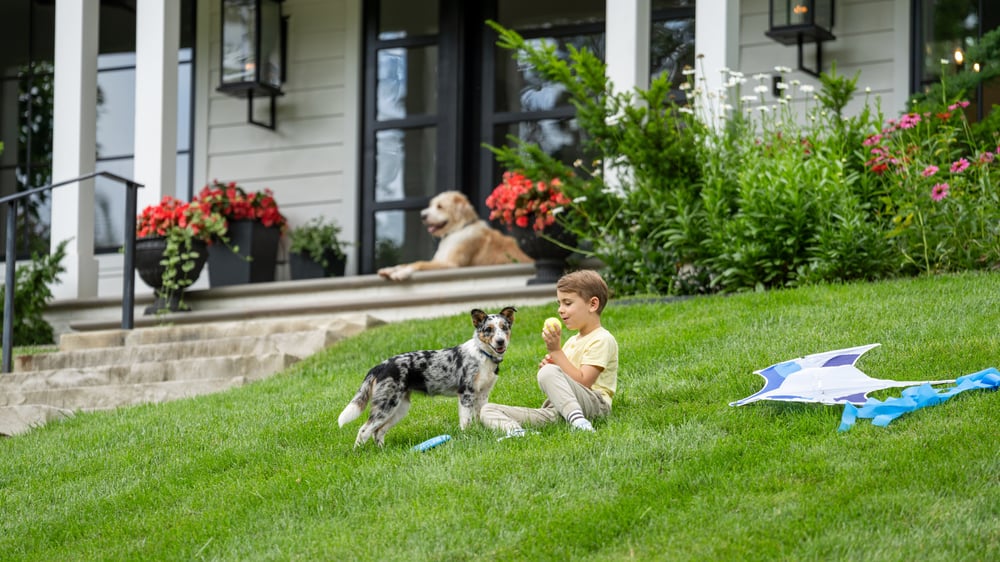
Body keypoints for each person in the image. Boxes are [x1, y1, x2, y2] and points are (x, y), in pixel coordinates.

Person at [480, 269, 619, 436]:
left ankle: (580, 423)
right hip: (560, 407)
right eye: (559, 303)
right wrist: (554, 364)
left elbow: (585, 382)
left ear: (592, 304)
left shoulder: (602, 339)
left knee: (549, 372)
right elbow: (566, 375)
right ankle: (519, 434)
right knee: (487, 410)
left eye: (567, 303)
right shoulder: (572, 341)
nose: (560, 310)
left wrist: (556, 353)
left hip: (595, 404)